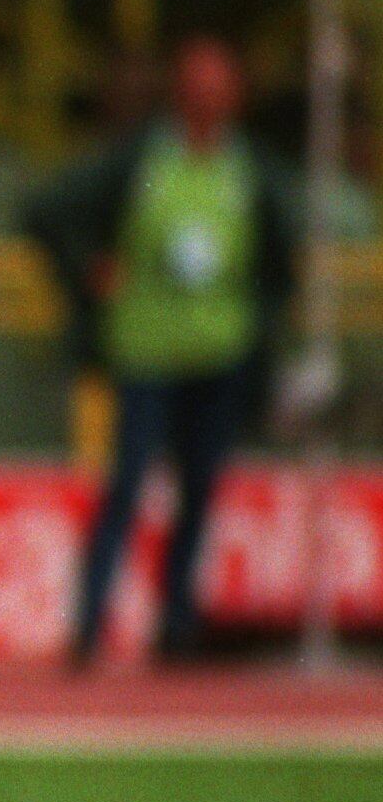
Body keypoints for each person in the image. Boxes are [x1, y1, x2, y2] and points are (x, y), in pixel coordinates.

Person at [21, 36, 298, 668]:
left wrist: (261, 326)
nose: (206, 95)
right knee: (125, 485)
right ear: (180, 90)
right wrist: (86, 271)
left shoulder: (249, 169)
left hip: (220, 355)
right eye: (195, 82)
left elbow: (281, 261)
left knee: (199, 491)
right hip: (144, 352)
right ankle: (89, 627)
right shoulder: (141, 159)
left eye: (218, 83)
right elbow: (46, 211)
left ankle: (176, 631)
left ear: (235, 95)